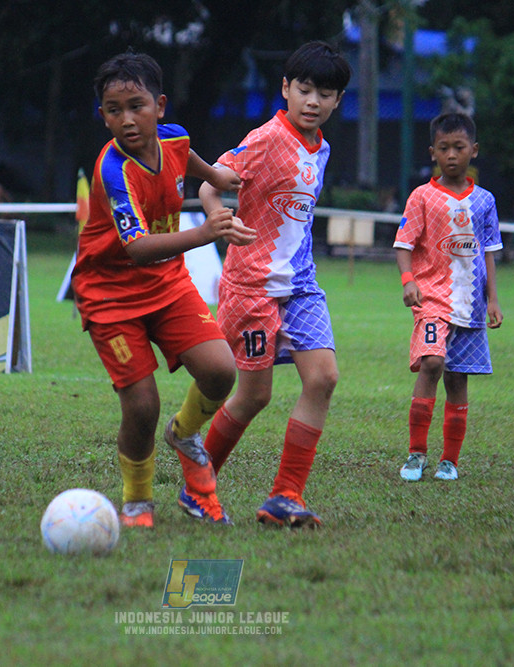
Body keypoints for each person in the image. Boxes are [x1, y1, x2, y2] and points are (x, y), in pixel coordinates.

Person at [72, 52, 256, 528]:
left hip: (167, 284)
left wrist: (213, 175)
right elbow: (136, 248)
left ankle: (185, 433)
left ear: (160, 106)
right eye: (114, 110)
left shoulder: (172, 138)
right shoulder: (113, 170)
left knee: (220, 371)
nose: (127, 120)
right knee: (142, 404)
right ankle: (137, 501)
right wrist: (206, 231)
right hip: (109, 294)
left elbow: (184, 154)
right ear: (102, 116)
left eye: (137, 106)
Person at [197, 40, 351, 528]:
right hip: (251, 286)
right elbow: (211, 182)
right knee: (253, 395)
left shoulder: (321, 148)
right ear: (285, 88)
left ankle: (285, 495)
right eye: (304, 90)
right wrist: (217, 217)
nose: (312, 102)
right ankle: (197, 486)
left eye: (324, 94)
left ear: (337, 101)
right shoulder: (265, 138)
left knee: (323, 378)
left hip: (301, 283)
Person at [393, 112, 503, 482]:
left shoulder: (485, 202)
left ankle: (450, 460)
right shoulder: (422, 197)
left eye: (459, 147)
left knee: (458, 379)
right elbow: (404, 244)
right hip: (432, 299)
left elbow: (488, 252)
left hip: (470, 305)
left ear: (474, 150)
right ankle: (416, 454)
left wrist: (492, 299)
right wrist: (409, 280)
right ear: (432, 152)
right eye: (444, 148)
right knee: (431, 363)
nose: (452, 155)